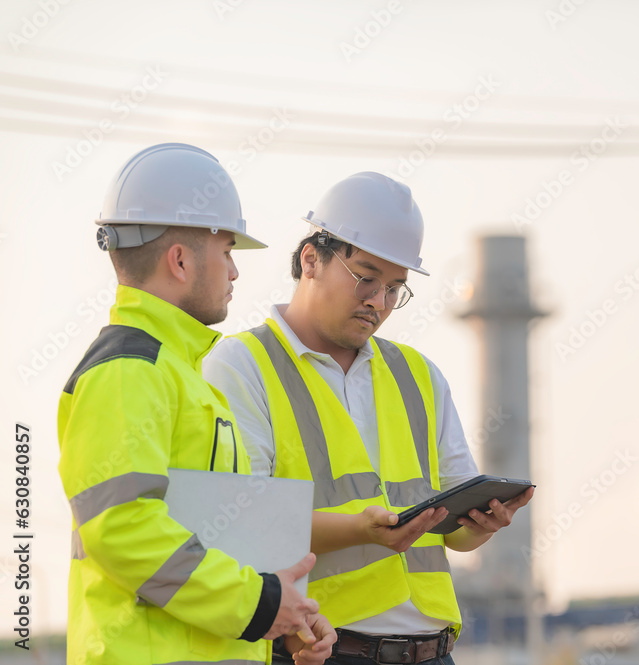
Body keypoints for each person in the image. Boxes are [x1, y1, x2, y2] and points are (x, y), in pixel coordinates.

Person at [203, 172, 533, 664]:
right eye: (366, 277)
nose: (379, 302)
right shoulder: (241, 365)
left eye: (396, 288)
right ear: (310, 259)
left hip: (433, 650)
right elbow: (242, 526)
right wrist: (360, 529)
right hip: (322, 649)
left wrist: (485, 522)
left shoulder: (419, 375)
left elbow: (458, 536)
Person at [57, 143, 336, 665]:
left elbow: (216, 534)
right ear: (180, 260)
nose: (234, 272)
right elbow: (122, 526)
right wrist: (257, 604)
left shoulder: (181, 375)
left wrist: (286, 611)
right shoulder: (128, 370)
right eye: (228, 250)